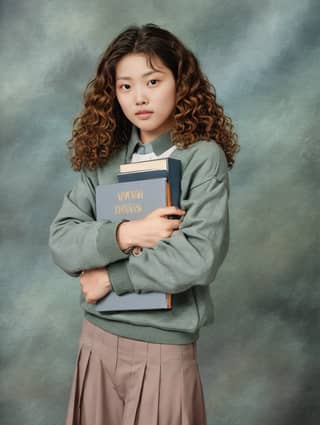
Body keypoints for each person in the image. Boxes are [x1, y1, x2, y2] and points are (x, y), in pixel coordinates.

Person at [48, 22, 239, 425]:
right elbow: (63, 240)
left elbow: (197, 258)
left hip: (163, 348)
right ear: (112, 93)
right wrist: (127, 233)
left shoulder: (202, 158)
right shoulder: (104, 157)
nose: (140, 98)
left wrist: (110, 278)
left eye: (153, 81)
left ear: (180, 82)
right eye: (125, 86)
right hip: (96, 340)